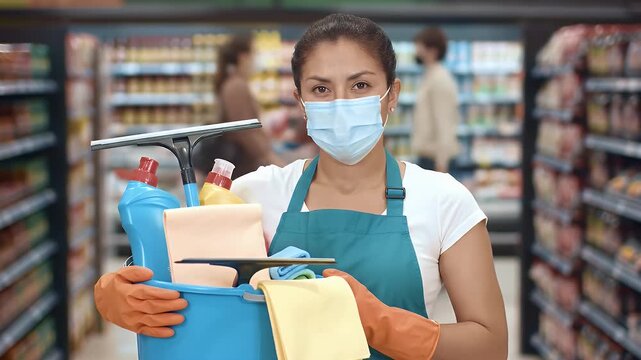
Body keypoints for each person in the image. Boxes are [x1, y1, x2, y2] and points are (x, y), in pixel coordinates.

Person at [94, 14, 508, 360]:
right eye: (321, 89)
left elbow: (490, 344)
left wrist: (379, 323)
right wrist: (126, 285)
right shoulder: (254, 194)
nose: (341, 102)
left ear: (392, 94)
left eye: (361, 85)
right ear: (300, 101)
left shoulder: (443, 200)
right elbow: (188, 277)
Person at [192, 34, 285, 178]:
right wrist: (271, 159)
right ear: (243, 57)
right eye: (255, 53)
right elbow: (246, 131)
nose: (256, 59)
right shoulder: (236, 86)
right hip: (240, 168)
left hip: (239, 166)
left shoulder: (234, 84)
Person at [412, 27, 461, 174]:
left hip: (436, 161)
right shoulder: (430, 76)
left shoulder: (440, 79)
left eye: (420, 46)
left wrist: (442, 163)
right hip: (428, 157)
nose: (416, 50)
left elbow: (444, 122)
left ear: (432, 50)